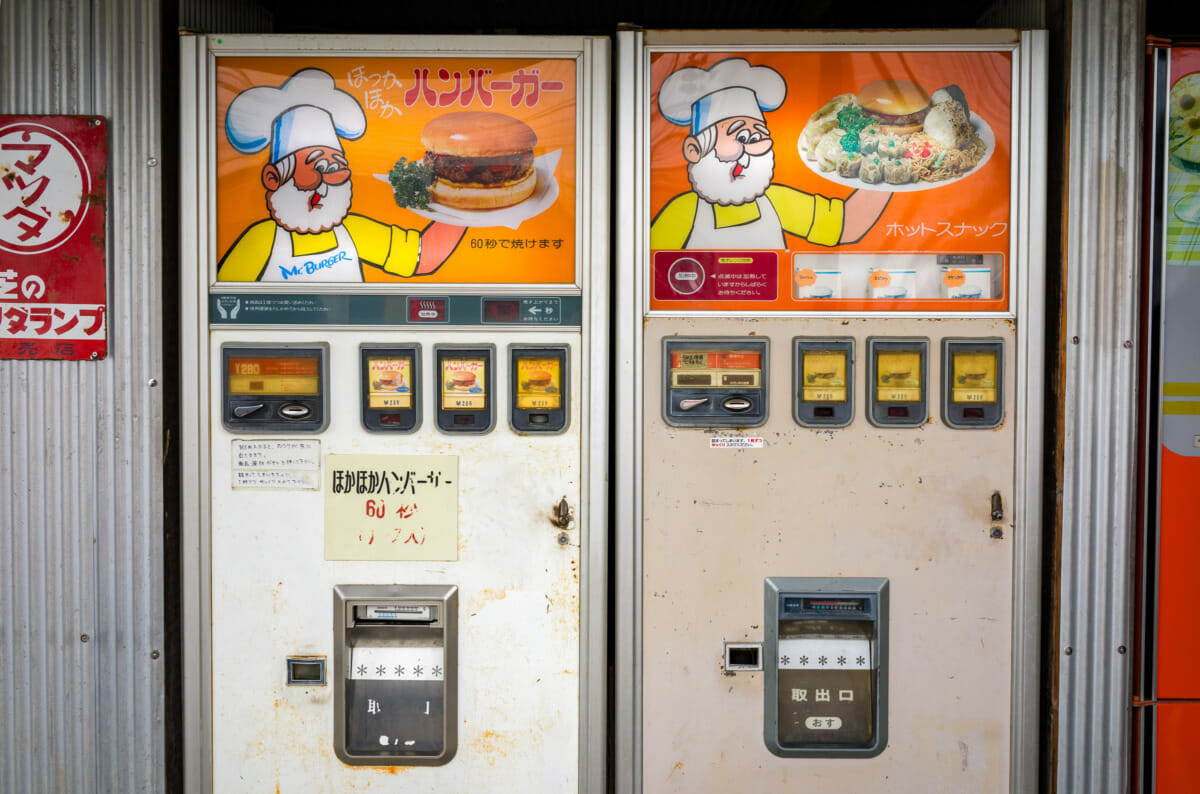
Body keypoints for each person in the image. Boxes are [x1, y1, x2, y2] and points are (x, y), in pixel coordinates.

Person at [218, 68, 463, 282]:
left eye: (335, 170)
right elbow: (221, 300)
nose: (325, 185)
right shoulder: (261, 240)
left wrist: (461, 195)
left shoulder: (354, 231)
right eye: (317, 169)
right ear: (273, 179)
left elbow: (424, 256)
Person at [651, 58, 890, 250]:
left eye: (758, 138)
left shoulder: (776, 201)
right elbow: (646, 270)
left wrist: (885, 159)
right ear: (694, 150)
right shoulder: (682, 211)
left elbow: (847, 224)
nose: (750, 152)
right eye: (741, 138)